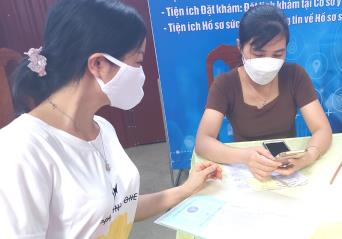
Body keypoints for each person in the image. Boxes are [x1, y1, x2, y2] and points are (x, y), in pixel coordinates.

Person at [0, 0, 221, 238]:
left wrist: (186, 189)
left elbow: (119, 207)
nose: (141, 73)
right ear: (98, 64)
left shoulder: (103, 129)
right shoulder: (20, 149)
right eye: (137, 62)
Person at [195, 5, 332, 181]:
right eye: (258, 54)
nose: (268, 62)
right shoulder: (225, 85)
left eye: (278, 54)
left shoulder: (294, 76)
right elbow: (203, 142)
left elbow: (322, 129)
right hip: (247, 173)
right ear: (240, 47)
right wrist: (246, 157)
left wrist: (308, 156)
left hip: (288, 172)